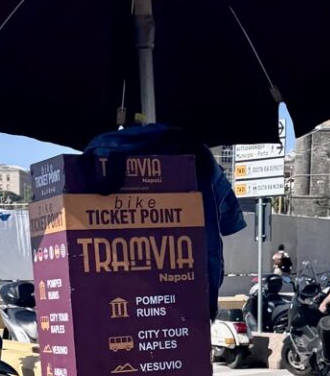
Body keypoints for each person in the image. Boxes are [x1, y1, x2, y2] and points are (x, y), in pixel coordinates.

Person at [83, 123, 246, 316]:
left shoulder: (93, 157)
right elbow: (228, 223)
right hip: (190, 301)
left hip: (110, 307)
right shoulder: (196, 153)